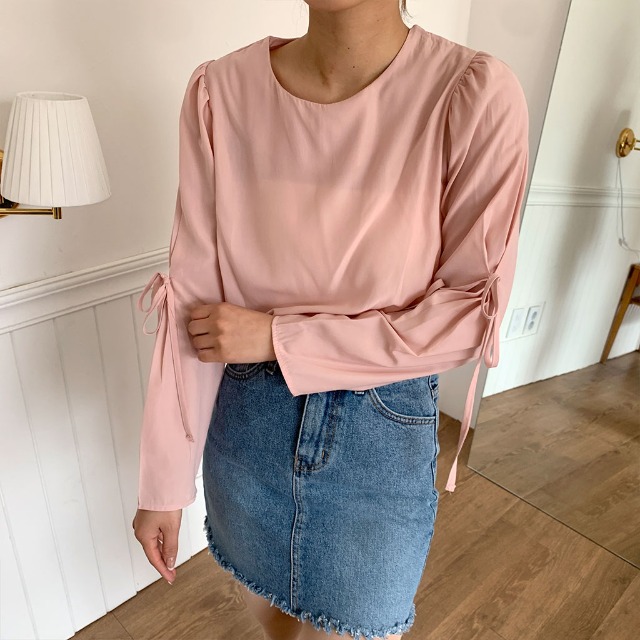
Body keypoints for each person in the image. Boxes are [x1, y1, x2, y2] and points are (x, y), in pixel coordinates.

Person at [131, 1, 529, 638]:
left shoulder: (470, 94)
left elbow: (467, 313)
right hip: (246, 426)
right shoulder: (220, 92)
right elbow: (194, 304)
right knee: (272, 620)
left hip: (378, 432)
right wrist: (165, 482)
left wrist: (278, 336)